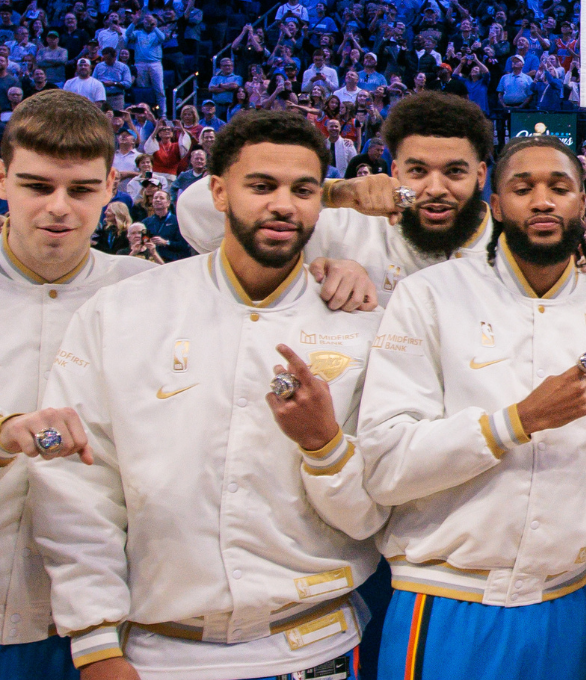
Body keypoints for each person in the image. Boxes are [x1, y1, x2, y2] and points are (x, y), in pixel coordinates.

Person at [31, 111, 387, 678]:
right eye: (262, 186)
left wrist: (325, 445)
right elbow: (76, 480)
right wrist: (94, 639)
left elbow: (376, 511)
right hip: (157, 654)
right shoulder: (126, 310)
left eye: (303, 190)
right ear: (218, 191)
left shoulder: (362, 322)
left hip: (318, 644)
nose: (284, 205)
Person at [358, 136, 586, 680]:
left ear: (582, 203)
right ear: (496, 205)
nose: (543, 201)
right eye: (522, 188)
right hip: (441, 601)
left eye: (559, 188)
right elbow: (384, 464)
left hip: (564, 607)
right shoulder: (429, 297)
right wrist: (517, 422)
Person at [0, 94, 159, 678]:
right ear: (2, 177)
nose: (59, 208)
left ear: (111, 183)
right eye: (38, 186)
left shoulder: (147, 291)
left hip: (108, 625)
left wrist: (335, 266)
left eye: (82, 189)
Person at [177, 91, 498, 302]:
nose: (436, 188)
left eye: (455, 172)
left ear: (481, 174)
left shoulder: (513, 250)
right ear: (396, 171)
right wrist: (330, 192)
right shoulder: (344, 225)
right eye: (418, 171)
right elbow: (196, 212)